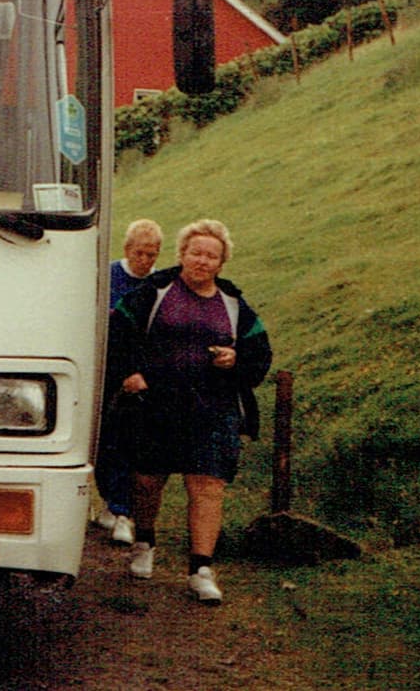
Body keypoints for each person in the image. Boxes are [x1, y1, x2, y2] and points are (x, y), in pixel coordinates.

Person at [108, 218, 272, 605]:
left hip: (212, 409)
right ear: (182, 254)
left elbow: (260, 353)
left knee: (208, 486)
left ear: (221, 263)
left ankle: (201, 569)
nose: (202, 260)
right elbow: (117, 332)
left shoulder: (233, 304)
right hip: (157, 405)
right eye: (196, 252)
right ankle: (144, 541)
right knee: (148, 480)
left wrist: (237, 358)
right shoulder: (154, 292)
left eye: (211, 255)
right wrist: (129, 373)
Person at [95, 219, 164, 545]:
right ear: (127, 250)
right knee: (102, 440)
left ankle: (124, 512)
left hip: (138, 373)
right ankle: (109, 500)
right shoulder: (108, 276)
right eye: (140, 253)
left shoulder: (160, 285)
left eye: (152, 254)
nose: (146, 260)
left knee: (127, 440)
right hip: (105, 367)